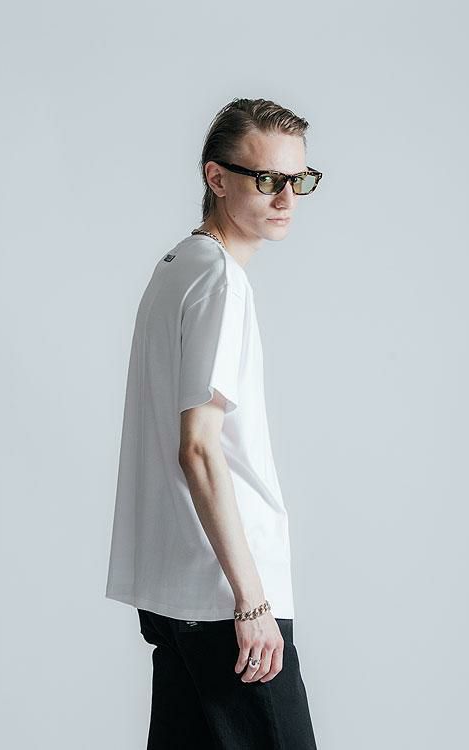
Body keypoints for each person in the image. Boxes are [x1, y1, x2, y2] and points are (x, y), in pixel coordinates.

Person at [105, 97, 323, 748]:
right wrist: (252, 601)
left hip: (178, 597)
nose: (286, 198)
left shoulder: (177, 267)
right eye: (268, 179)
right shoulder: (220, 280)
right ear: (216, 178)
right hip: (226, 599)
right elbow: (198, 448)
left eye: (299, 180)